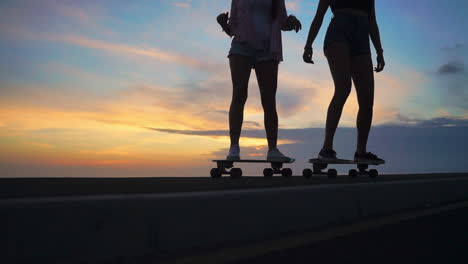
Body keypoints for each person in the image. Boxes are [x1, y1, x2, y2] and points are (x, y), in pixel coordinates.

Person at [217, 0, 301, 161]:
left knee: (269, 100)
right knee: (239, 94)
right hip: (241, 46)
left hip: (268, 49)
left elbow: (283, 22)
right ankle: (234, 147)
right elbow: (233, 28)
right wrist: (223, 24)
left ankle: (273, 149)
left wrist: (291, 21)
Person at [303, 0, 385, 163]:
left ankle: (361, 151)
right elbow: (319, 16)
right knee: (343, 88)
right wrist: (308, 45)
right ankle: (326, 148)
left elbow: (372, 21)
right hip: (338, 35)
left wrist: (379, 51)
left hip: (361, 40)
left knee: (367, 98)